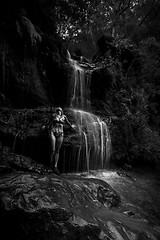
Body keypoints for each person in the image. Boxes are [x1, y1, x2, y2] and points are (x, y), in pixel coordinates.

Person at [42, 107, 76, 175]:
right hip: (53, 132)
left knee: (57, 150)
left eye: (60, 110)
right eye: (57, 110)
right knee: (53, 149)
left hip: (60, 133)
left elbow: (68, 123)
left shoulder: (64, 117)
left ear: (61, 111)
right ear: (56, 111)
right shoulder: (53, 116)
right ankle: (50, 164)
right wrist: (45, 126)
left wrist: (71, 126)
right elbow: (49, 122)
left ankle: (55, 166)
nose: (58, 111)